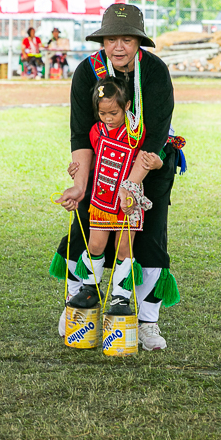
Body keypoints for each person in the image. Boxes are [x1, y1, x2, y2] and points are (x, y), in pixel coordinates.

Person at [54, 3, 184, 352]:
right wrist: (81, 185)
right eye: (112, 39)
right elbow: (81, 134)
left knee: (149, 240)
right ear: (103, 40)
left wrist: (133, 184)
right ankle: (77, 307)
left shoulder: (154, 72)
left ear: (138, 41)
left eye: (127, 39)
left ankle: (145, 322)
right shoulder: (87, 72)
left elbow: (154, 139)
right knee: (86, 230)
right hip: (103, 167)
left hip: (149, 165)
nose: (119, 47)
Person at [69, 76, 164, 315]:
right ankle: (90, 288)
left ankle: (121, 297)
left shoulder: (137, 131)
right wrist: (77, 170)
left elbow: (152, 159)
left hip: (127, 202)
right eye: (103, 114)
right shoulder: (96, 131)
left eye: (114, 113)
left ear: (127, 105)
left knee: (124, 247)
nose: (109, 119)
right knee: (95, 243)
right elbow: (94, 160)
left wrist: (158, 163)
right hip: (101, 200)